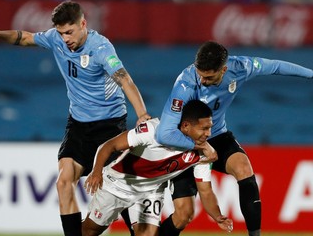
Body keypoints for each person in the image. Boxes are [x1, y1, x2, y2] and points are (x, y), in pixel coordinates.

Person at [0, 0, 151, 236]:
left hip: (109, 126)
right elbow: (24, 37)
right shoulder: (56, 39)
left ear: (83, 24)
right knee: (63, 182)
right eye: (61, 33)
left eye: (69, 32)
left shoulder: (101, 48)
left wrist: (142, 114)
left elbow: (124, 79)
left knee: (120, 191)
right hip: (78, 125)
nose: (65, 38)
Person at [155, 41, 313, 236]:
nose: (202, 80)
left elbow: (275, 66)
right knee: (184, 215)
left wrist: (311, 74)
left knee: (243, 168)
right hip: (184, 143)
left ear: (224, 69)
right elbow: (163, 134)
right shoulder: (185, 84)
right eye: (200, 74)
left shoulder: (241, 68)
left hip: (217, 136)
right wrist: (202, 147)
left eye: (209, 76)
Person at [82, 100, 233, 236]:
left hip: (150, 190)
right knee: (89, 231)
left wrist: (217, 216)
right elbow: (109, 145)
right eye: (204, 128)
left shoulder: (204, 152)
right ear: (186, 125)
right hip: (117, 185)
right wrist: (96, 172)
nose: (209, 133)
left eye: (210, 128)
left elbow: (205, 190)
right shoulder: (153, 130)